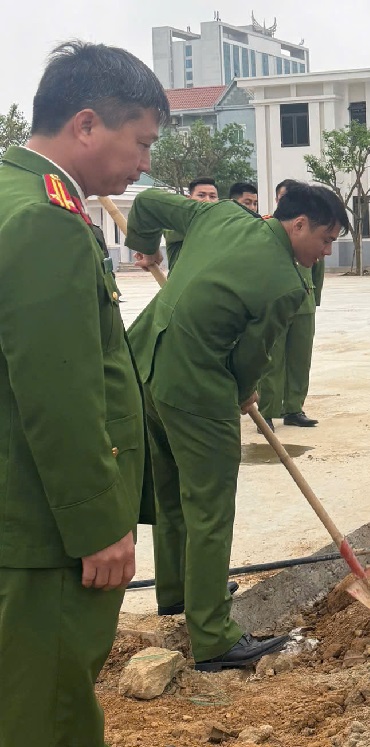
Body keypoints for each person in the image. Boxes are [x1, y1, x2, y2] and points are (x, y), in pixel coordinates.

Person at [0, 41, 165, 747]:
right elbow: (58, 392)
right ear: (88, 124)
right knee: (50, 712)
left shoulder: (11, 195)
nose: (145, 164)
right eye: (142, 142)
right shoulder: (45, 220)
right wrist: (97, 523)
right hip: (45, 531)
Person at [126, 183, 349, 671]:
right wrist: (244, 391)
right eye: (326, 240)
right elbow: (251, 359)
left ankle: (180, 591)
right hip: (195, 389)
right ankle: (213, 636)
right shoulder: (286, 285)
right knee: (209, 506)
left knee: (172, 490)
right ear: (299, 224)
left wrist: (144, 246)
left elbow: (146, 204)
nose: (327, 252)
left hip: (145, 368)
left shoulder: (220, 215)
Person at [257, 178, 326, 431]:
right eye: (282, 198)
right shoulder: (267, 229)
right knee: (271, 361)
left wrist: (315, 298)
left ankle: (294, 408)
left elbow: (318, 266)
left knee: (300, 359)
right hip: (276, 304)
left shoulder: (310, 230)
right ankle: (266, 413)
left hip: (304, 305)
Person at [165, 177, 219, 270]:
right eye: (201, 195)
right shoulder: (176, 223)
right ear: (189, 199)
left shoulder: (221, 223)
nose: (207, 200)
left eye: (212, 197)